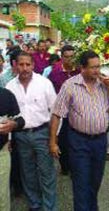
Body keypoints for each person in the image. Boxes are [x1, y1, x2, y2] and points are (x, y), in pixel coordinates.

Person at [49, 50, 109, 211]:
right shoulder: (70, 86)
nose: (97, 71)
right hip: (79, 141)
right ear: (82, 68)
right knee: (81, 182)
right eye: (93, 67)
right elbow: (56, 114)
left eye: (99, 66)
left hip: (100, 141)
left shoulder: (104, 85)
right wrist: (53, 142)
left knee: (95, 181)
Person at [6, 52, 57, 211]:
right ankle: (34, 205)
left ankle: (49, 207)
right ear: (16, 65)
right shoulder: (10, 87)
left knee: (47, 173)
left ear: (33, 65)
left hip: (42, 133)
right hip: (20, 136)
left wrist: (53, 138)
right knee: (27, 174)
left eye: (28, 64)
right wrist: (9, 139)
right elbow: (6, 116)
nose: (25, 68)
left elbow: (55, 111)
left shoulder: (44, 83)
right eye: (21, 64)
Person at [48, 45, 80, 175]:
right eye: (66, 57)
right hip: (61, 114)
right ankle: (64, 166)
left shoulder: (79, 71)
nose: (69, 59)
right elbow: (50, 92)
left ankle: (75, 166)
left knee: (76, 141)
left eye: (72, 56)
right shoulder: (54, 72)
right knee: (63, 141)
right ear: (61, 58)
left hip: (77, 112)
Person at [0, 87, 25, 211]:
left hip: (1, 153)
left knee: (2, 195)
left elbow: (20, 120)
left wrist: (13, 124)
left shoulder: (6, 95)